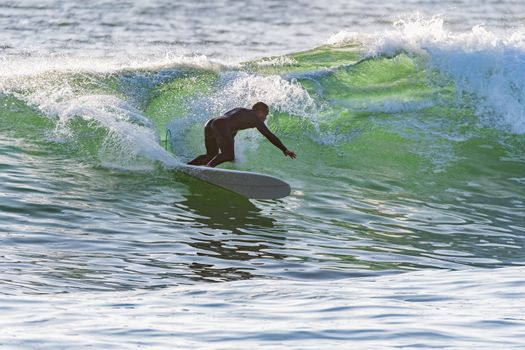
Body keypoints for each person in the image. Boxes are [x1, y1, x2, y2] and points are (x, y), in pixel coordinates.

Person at [188, 102, 296, 167]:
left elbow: (229, 135)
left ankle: (188, 166)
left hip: (210, 124)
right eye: (265, 114)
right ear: (259, 111)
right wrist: (284, 149)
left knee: (211, 155)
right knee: (228, 155)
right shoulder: (254, 117)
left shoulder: (240, 113)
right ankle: (208, 168)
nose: (265, 118)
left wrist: (230, 156)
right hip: (220, 125)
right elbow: (269, 135)